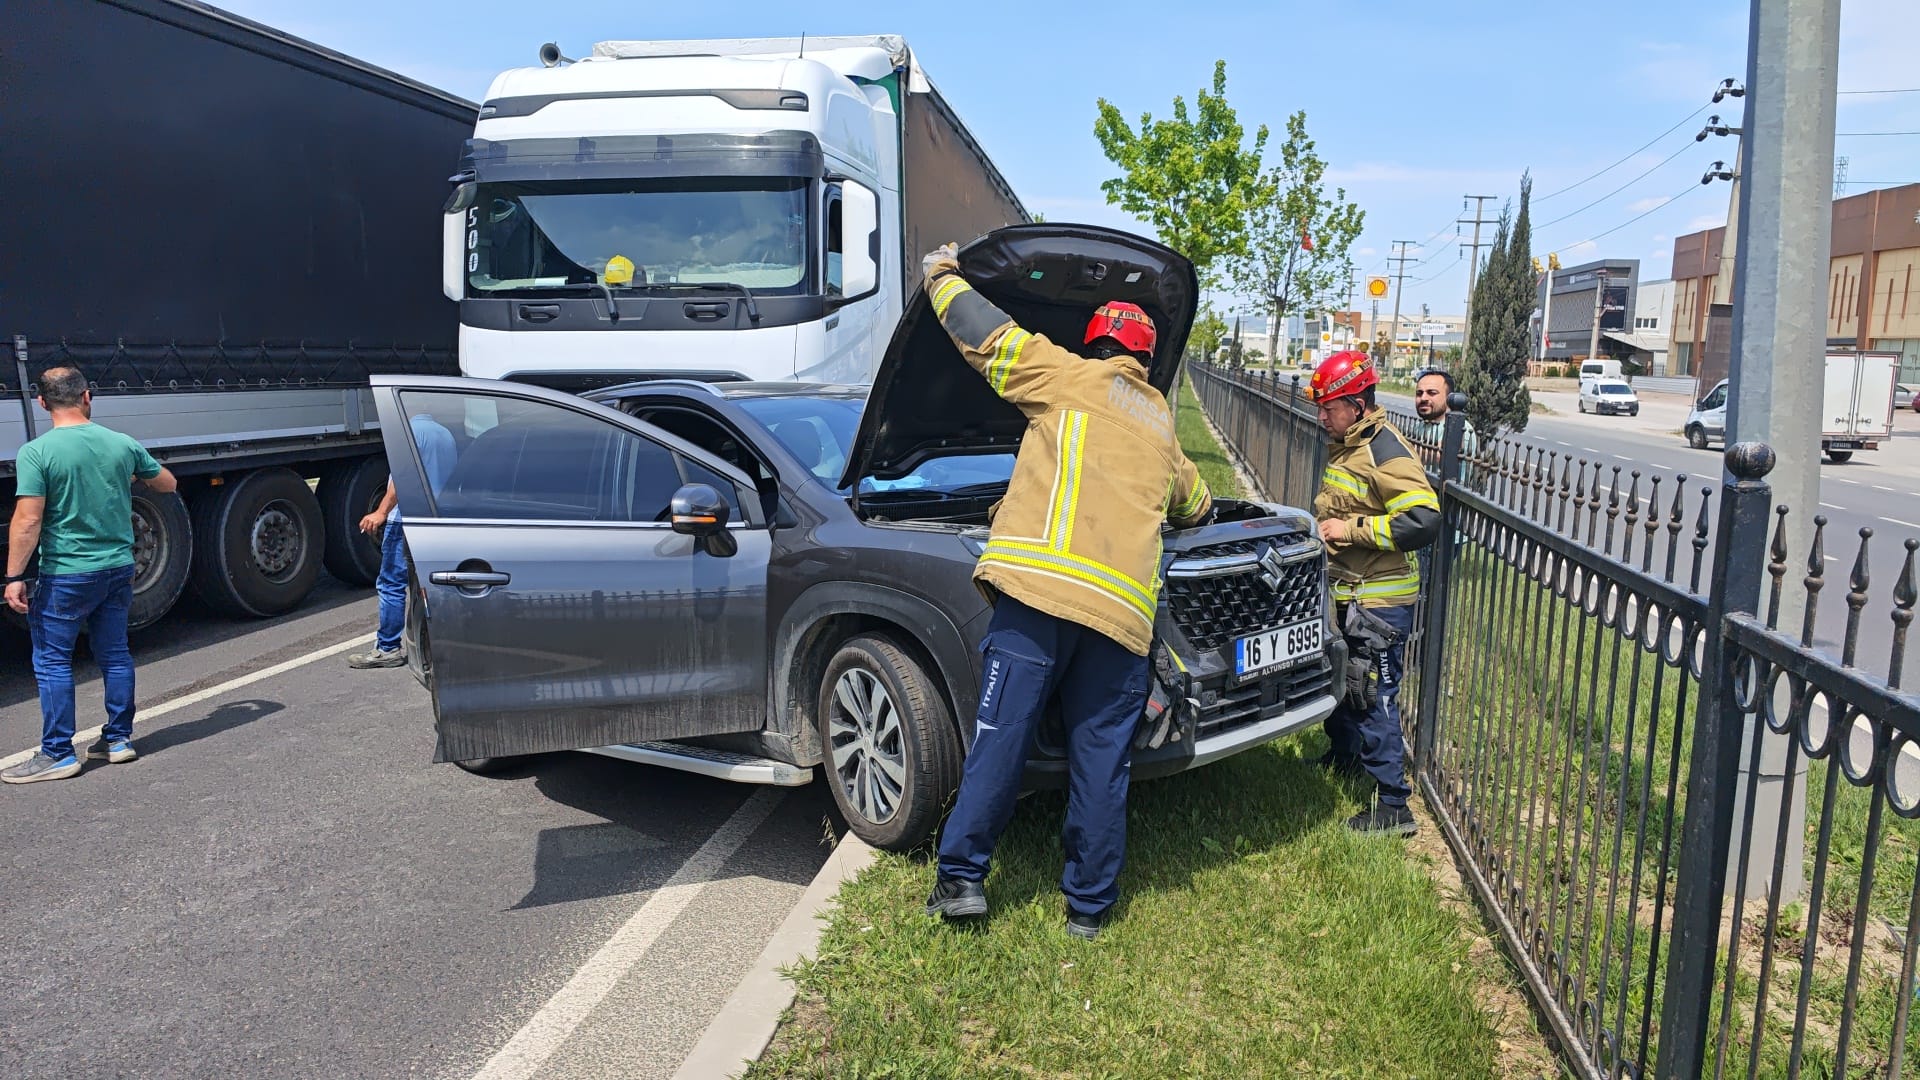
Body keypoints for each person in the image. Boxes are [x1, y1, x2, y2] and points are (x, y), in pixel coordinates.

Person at [918, 244, 1213, 940]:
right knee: (1102, 759)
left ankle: (962, 879)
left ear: (1095, 343)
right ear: (1146, 360)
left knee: (1003, 737)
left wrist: (940, 274)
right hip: (1120, 623)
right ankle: (1089, 908)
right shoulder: (1163, 430)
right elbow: (1196, 507)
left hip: (1039, 598)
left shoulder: (1065, 377)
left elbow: (980, 330)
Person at [3, 367, 176, 784]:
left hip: (67, 571)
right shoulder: (121, 444)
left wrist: (13, 577)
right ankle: (117, 740)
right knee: (114, 653)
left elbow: (28, 521)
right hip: (118, 567)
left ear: (42, 403)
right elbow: (167, 484)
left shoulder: (37, 452)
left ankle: (58, 752)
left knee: (51, 660)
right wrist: (132, 473)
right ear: (87, 397)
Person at [1308, 350, 1441, 835]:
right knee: (1343, 684)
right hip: (1351, 593)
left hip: (1380, 602)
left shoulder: (1384, 449)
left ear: (1359, 406)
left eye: (1331, 407)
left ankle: (1393, 806)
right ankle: (1345, 757)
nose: (1322, 416)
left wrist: (1352, 530)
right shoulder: (1348, 443)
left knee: (1371, 694)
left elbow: (1423, 521)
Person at [346, 411, 456, 670]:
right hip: (436, 517)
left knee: (391, 583)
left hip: (405, 519)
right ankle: (443, 644)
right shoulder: (445, 434)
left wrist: (381, 512)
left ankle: (388, 648)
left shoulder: (409, 431)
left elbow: (402, 478)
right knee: (433, 584)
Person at [1411, 367, 1479, 475]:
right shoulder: (1419, 426)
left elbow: (1443, 456)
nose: (1423, 398)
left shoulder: (1461, 428)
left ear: (1449, 398)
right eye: (1419, 393)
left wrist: (1407, 448)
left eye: (1431, 393)